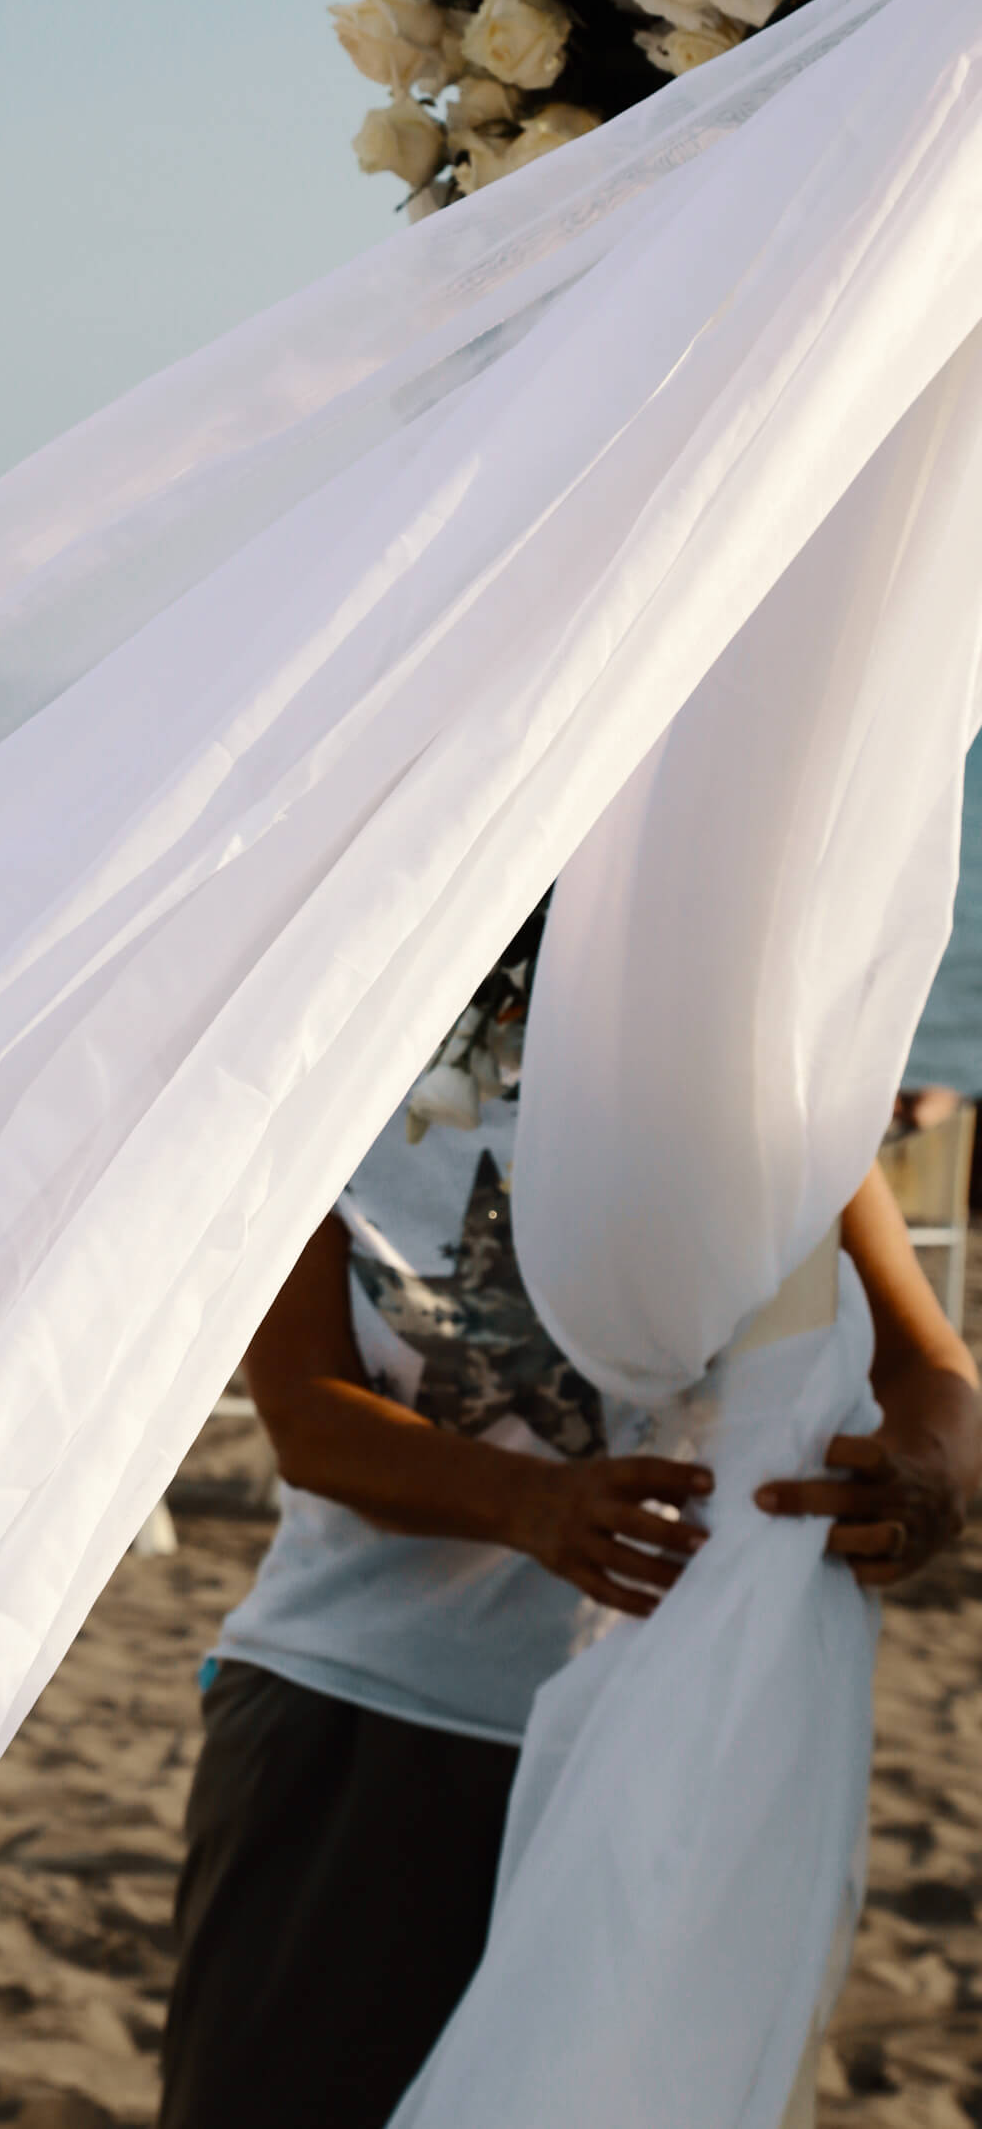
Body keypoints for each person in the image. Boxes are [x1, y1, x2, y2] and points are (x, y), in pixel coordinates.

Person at [158, 906, 980, 2129]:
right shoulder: (332, 1083)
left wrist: (926, 1482)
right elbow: (309, 1416)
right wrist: (533, 1505)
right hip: (361, 1723)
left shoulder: (753, 1104)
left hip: (665, 1739)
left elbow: (937, 1379)